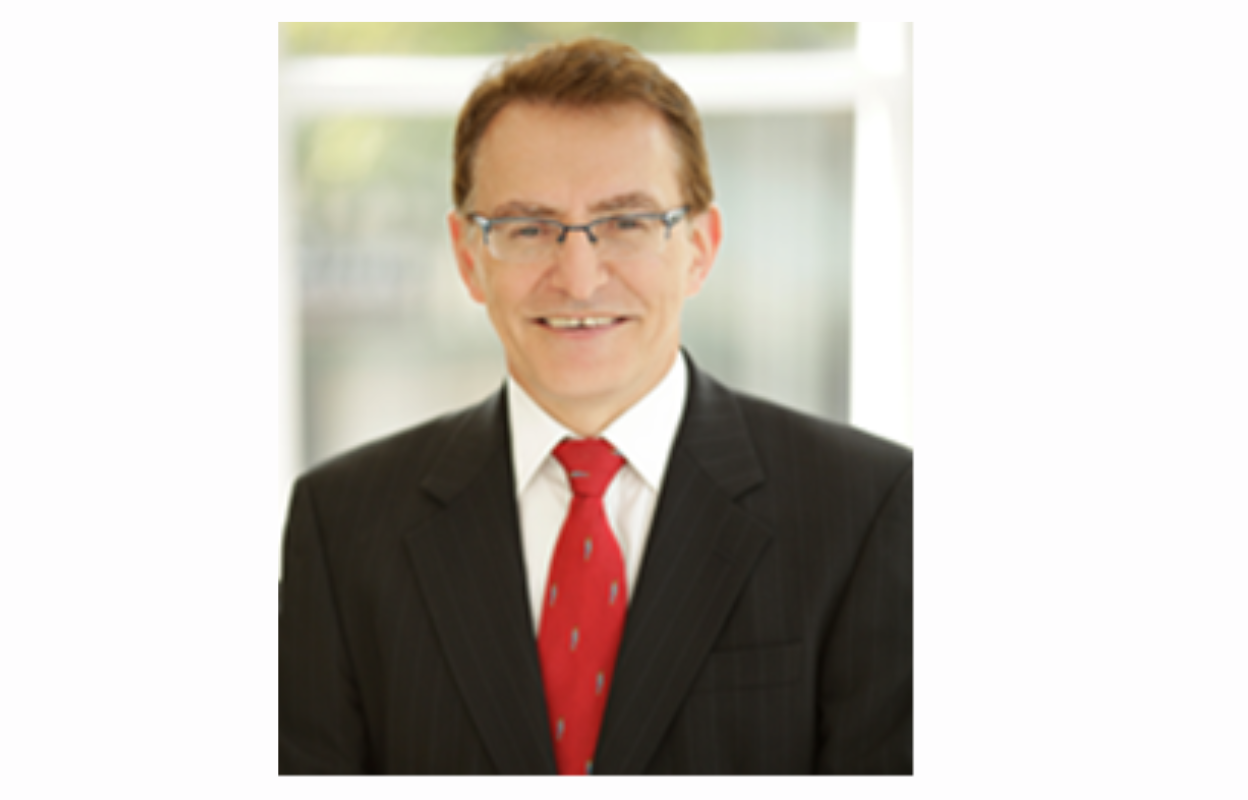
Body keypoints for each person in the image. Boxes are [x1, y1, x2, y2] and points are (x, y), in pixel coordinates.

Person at [279, 37, 911, 775]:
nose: (578, 279)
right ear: (466, 257)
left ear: (700, 247)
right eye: (527, 229)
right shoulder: (343, 525)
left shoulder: (866, 508)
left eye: (626, 223)